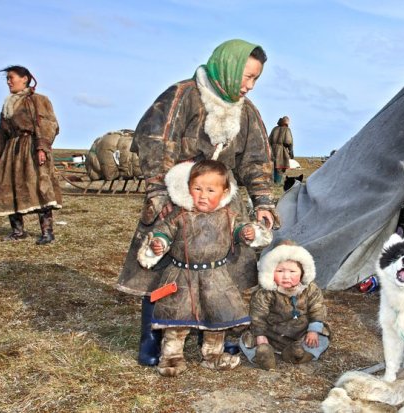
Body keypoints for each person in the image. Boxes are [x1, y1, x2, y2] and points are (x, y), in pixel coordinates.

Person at [116, 39, 278, 367]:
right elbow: (156, 144)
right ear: (228, 68)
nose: (249, 86)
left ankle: (219, 332)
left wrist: (262, 201)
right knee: (160, 268)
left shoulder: (247, 113)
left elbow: (256, 160)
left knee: (227, 270)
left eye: (255, 79)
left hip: (223, 201)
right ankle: (153, 335)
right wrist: (164, 196)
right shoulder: (182, 96)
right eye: (245, 76)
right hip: (178, 197)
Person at [137, 160, 272, 376]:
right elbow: (164, 232)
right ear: (188, 187)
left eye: (211, 190)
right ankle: (171, 357)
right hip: (182, 275)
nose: (203, 195)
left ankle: (213, 355)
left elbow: (238, 231)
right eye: (197, 188)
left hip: (215, 276)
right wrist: (159, 243)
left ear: (225, 191)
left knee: (217, 319)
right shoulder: (179, 215)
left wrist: (247, 233)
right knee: (177, 320)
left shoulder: (228, 216)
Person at [0, 65, 61, 245]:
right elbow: (1, 132)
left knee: (39, 186)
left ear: (25, 79)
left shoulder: (38, 100)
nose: (8, 81)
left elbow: (47, 124)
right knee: (9, 187)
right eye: (7, 78)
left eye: (11, 77)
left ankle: (47, 232)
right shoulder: (8, 104)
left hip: (31, 147)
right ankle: (18, 231)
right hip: (11, 150)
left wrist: (41, 148)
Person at [239, 240, 330, 370]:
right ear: (270, 271)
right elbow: (258, 315)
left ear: (303, 272)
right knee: (246, 339)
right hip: (271, 335)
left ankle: (299, 355)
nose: (286, 276)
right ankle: (262, 356)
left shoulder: (310, 289)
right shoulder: (266, 292)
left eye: (292, 272)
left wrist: (313, 330)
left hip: (301, 335)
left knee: (323, 337)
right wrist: (260, 335)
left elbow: (318, 308)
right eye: (280, 271)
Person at [268, 116, 294, 184]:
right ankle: (277, 183)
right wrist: (291, 152)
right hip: (281, 151)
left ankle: (273, 182)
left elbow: (269, 140)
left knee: (274, 167)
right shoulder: (287, 130)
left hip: (272, 150)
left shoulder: (274, 129)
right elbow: (288, 141)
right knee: (280, 167)